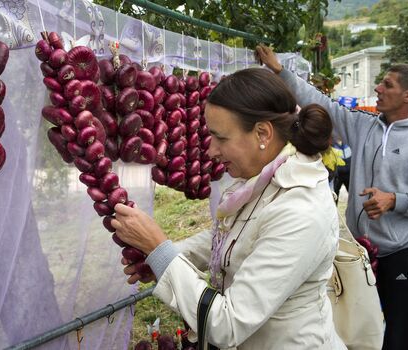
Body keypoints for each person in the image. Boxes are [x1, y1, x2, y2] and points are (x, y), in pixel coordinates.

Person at [112, 68, 347, 349]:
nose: (211, 150)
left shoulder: (300, 210)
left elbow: (227, 325)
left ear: (262, 133)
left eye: (221, 138)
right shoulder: (263, 180)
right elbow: (229, 239)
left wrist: (159, 249)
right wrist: (167, 258)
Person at [256, 44, 408, 350]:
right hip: (360, 255)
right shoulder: (364, 125)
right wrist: (279, 71)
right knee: (362, 331)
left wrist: (396, 200)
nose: (378, 87)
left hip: (402, 253)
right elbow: (321, 102)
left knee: (402, 335)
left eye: (387, 84)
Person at [332, 138, 352, 203]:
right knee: (334, 198)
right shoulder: (331, 143)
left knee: (353, 196)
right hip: (337, 176)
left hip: (349, 175)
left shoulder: (349, 140)